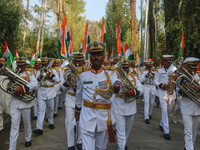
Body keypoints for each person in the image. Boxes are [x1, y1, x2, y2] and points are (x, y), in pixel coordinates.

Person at [75, 41, 121, 150]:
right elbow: (79, 93)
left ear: (104, 57)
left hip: (104, 117)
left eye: (99, 55)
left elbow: (117, 82)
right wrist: (77, 110)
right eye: (93, 55)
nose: (96, 57)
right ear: (90, 57)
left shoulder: (110, 73)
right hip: (86, 115)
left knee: (100, 147)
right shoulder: (82, 74)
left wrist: (117, 85)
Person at [112, 59, 143, 150]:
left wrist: (133, 92)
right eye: (123, 68)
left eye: (126, 67)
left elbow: (141, 89)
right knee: (120, 131)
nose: (125, 69)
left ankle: (123, 144)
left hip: (131, 107)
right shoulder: (115, 77)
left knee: (127, 130)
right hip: (118, 106)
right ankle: (121, 147)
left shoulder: (134, 77)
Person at [8, 57, 38, 150]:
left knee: (27, 123)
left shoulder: (30, 73)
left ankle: (28, 138)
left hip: (25, 103)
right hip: (15, 103)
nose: (19, 67)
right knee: (14, 126)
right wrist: (9, 86)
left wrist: (21, 89)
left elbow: (35, 83)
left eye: (21, 66)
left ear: (25, 65)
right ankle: (12, 147)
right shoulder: (13, 73)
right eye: (18, 65)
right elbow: (10, 84)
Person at [62, 52, 84, 150]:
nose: (78, 63)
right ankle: (70, 144)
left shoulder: (85, 69)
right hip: (71, 98)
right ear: (73, 60)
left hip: (82, 99)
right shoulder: (68, 69)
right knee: (69, 122)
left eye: (80, 61)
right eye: (76, 61)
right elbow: (67, 76)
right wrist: (70, 77)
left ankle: (80, 141)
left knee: (80, 122)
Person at [177, 57, 200, 150]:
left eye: (195, 67)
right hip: (187, 107)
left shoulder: (199, 76)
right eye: (191, 67)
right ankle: (189, 147)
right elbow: (178, 91)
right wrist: (185, 89)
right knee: (188, 132)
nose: (193, 70)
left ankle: (188, 147)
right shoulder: (181, 77)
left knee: (194, 132)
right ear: (186, 66)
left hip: (197, 108)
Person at [33, 58, 59, 135]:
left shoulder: (53, 71)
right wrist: (42, 75)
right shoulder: (38, 72)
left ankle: (51, 122)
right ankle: (39, 128)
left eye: (45, 64)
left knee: (50, 109)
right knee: (40, 110)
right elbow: (37, 81)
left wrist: (50, 74)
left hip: (50, 91)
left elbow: (57, 79)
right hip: (41, 91)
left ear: (48, 64)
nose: (44, 65)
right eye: (43, 64)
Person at [154, 55, 176, 140]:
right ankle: (166, 132)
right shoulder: (159, 70)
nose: (169, 63)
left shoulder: (174, 70)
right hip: (162, 93)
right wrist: (162, 85)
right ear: (164, 61)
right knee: (164, 112)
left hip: (171, 93)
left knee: (168, 111)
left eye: (170, 62)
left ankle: (161, 124)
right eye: (168, 62)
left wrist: (175, 78)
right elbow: (155, 81)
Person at [140, 59, 156, 124]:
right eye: (148, 66)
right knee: (146, 102)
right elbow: (142, 80)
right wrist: (147, 74)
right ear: (146, 66)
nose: (150, 67)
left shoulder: (155, 71)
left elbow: (157, 80)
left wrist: (154, 75)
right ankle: (146, 117)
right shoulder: (142, 71)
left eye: (150, 66)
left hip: (153, 87)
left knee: (152, 102)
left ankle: (149, 113)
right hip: (146, 87)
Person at [0, 57, 11, 133]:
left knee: (9, 110)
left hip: (6, 94)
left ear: (5, 62)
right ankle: (0, 127)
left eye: (2, 61)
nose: (1, 62)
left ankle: (15, 124)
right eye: (0, 61)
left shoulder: (9, 71)